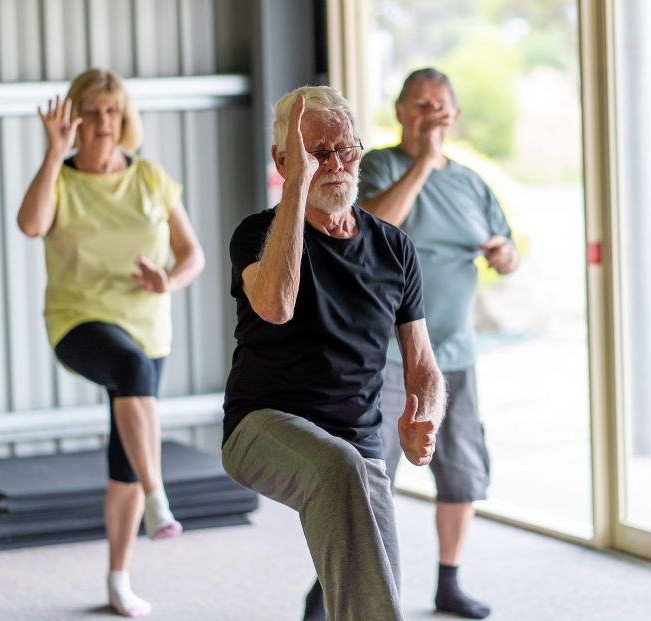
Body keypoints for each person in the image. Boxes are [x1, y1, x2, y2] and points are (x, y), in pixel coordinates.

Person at [222, 85, 446, 621]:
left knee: (376, 589)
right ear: (284, 159)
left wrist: (426, 416)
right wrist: (296, 186)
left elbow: (422, 363)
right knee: (340, 468)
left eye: (346, 149)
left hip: (356, 446)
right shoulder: (257, 234)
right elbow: (276, 306)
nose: (337, 163)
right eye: (318, 153)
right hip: (261, 427)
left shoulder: (394, 247)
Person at [17, 68, 205, 618]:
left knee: (123, 451)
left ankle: (119, 578)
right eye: (93, 112)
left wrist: (168, 280)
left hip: (149, 326)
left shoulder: (149, 176)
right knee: (129, 368)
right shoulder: (63, 179)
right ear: (75, 119)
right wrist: (54, 154)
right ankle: (159, 494)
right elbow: (31, 225)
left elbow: (191, 253)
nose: (104, 122)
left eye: (113, 112)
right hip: (79, 321)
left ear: (125, 119)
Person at [366, 67, 521, 619]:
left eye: (441, 105)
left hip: (452, 353)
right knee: (366, 474)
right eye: (420, 103)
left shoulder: (474, 183)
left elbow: (507, 252)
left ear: (453, 115)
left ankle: (449, 582)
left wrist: (505, 256)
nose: (432, 113)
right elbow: (372, 230)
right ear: (400, 110)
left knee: (460, 468)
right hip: (382, 355)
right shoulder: (378, 167)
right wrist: (424, 163)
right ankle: (340, 584)